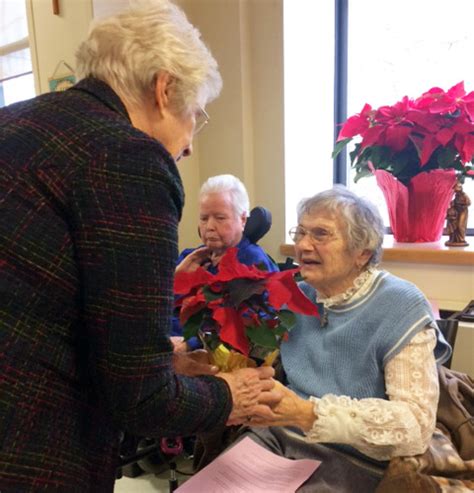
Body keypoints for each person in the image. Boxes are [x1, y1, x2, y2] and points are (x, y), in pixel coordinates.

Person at [0, 2, 279, 492]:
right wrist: (228, 395)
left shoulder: (16, 123)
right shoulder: (127, 157)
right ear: (164, 88)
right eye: (195, 114)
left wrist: (163, 360)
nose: (190, 143)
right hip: (29, 449)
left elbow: (38, 309)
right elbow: (142, 399)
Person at [241, 186, 452, 492]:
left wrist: (307, 414)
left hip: (352, 458)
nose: (302, 245)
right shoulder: (296, 296)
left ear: (362, 252)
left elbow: (414, 426)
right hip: (279, 438)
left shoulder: (401, 305)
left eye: (320, 234)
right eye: (300, 233)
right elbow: (262, 362)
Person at [172, 174, 278, 347]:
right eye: (204, 218)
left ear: (243, 220)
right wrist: (175, 278)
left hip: (212, 354)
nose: (209, 226)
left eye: (220, 218)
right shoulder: (189, 257)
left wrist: (191, 345)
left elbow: (257, 326)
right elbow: (159, 309)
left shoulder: (253, 263)